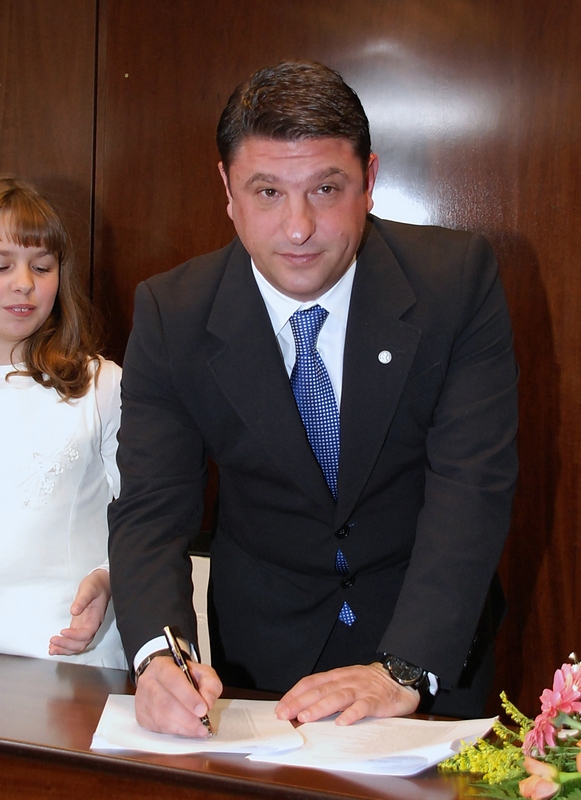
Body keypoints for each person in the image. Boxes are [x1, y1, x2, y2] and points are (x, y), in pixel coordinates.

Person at [108, 60, 518, 735]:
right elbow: (152, 508)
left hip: (428, 648)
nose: (297, 228)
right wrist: (158, 656)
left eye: (325, 189)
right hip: (260, 661)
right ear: (228, 189)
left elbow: (471, 486)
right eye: (267, 192)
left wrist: (404, 669)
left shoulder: (455, 283)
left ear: (368, 181)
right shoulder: (172, 314)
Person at [0, 176, 125, 669]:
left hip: (72, 652)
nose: (23, 283)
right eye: (2, 265)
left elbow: (145, 515)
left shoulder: (100, 384)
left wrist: (109, 576)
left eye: (41, 266)